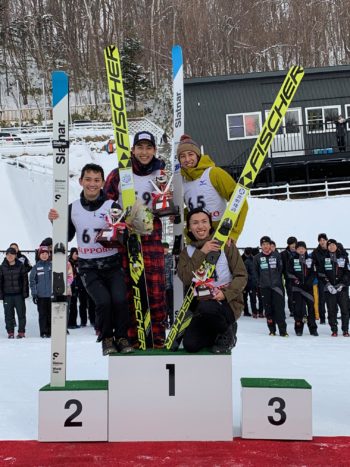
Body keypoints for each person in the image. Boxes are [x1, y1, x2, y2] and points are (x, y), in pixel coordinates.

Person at [48, 163, 133, 355]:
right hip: (88, 267)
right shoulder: (73, 208)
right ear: (80, 181)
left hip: (111, 264)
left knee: (120, 300)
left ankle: (121, 336)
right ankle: (107, 338)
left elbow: (122, 236)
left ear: (103, 183)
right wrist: (55, 221)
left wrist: (125, 227)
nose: (92, 184)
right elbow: (66, 236)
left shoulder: (112, 206)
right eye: (88, 179)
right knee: (103, 302)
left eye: (96, 180)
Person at [104, 131, 167, 348]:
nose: (144, 152)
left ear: (154, 150)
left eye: (148, 147)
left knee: (155, 289)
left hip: (151, 238)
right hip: (126, 240)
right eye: (139, 147)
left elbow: (168, 204)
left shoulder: (161, 173)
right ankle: (131, 336)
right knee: (130, 289)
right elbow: (105, 206)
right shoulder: (118, 174)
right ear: (132, 150)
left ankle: (157, 336)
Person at [177, 208, 247, 353]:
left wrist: (225, 293)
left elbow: (242, 275)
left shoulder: (226, 245)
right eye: (195, 223)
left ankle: (228, 332)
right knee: (191, 345)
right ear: (189, 227)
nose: (200, 226)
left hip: (226, 303)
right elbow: (185, 277)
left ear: (210, 225)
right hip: (201, 307)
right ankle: (217, 333)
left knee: (207, 306)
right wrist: (202, 252)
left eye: (204, 222)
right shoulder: (187, 252)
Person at [177, 134, 248, 241]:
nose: (187, 159)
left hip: (219, 235)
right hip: (197, 239)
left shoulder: (214, 173)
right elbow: (196, 207)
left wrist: (233, 233)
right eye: (182, 156)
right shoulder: (182, 181)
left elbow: (240, 201)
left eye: (190, 154)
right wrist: (179, 214)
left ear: (198, 155)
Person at [254, 236, 288, 337]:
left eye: (267, 244)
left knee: (279, 310)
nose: (265, 246)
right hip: (265, 288)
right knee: (268, 310)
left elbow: (280, 269)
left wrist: (276, 281)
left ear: (270, 245)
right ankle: (272, 330)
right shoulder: (257, 257)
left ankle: (283, 331)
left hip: (277, 287)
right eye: (263, 244)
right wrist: (260, 283)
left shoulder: (277, 255)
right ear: (261, 246)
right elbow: (255, 272)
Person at [315, 239, 349, 337]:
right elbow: (320, 273)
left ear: (336, 246)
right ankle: (334, 330)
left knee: (345, 310)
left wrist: (342, 284)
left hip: (342, 289)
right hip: (329, 289)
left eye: (333, 245)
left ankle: (345, 330)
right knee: (331, 310)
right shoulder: (323, 258)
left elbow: (347, 272)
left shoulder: (344, 258)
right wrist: (328, 284)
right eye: (329, 245)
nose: (331, 247)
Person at [287, 241, 318, 336]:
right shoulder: (292, 260)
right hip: (297, 289)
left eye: (303, 248)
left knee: (311, 309)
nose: (301, 250)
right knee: (298, 309)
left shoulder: (311, 260)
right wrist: (297, 281)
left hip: (308, 289)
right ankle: (299, 328)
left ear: (305, 249)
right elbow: (289, 273)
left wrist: (309, 281)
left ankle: (313, 329)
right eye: (299, 248)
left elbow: (314, 272)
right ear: (296, 249)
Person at [0, 247, 29, 338]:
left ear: (15, 255)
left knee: (21, 314)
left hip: (18, 295)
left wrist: (25, 293)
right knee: (8, 315)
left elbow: (25, 281)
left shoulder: (20, 265)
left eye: (12, 254)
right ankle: (10, 332)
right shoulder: (2, 267)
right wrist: (1, 294)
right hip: (7, 296)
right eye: (8, 254)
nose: (10, 256)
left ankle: (21, 332)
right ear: (6, 255)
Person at [30, 246, 52, 337]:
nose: (44, 255)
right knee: (42, 315)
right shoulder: (35, 267)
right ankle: (43, 332)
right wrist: (34, 294)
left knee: (50, 314)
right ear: (39, 255)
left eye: (46, 254)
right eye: (42, 254)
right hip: (41, 296)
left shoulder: (52, 265)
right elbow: (32, 281)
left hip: (51, 295)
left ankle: (50, 331)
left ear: (49, 255)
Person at [312, 233, 328, 324]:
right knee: (321, 298)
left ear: (326, 240)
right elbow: (312, 264)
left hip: (331, 278)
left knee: (332, 299)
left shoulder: (331, 249)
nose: (322, 242)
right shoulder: (315, 252)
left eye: (323, 240)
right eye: (320, 240)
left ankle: (332, 316)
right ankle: (322, 318)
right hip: (320, 278)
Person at [281, 236, 298, 317]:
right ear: (288, 245)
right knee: (290, 295)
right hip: (288, 278)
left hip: (299, 278)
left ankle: (298, 309)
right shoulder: (283, 254)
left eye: (294, 243)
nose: (293, 245)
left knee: (298, 294)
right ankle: (292, 310)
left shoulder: (300, 252)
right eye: (291, 244)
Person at [242, 247, 259, 317]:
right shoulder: (244, 260)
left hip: (253, 282)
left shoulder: (255, 260)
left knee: (253, 298)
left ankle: (254, 310)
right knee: (245, 297)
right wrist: (251, 278)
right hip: (245, 282)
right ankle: (246, 311)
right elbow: (244, 272)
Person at [163, 242, 174, 327]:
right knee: (164, 304)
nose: (165, 249)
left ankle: (172, 321)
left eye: (166, 247)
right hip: (162, 285)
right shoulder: (159, 257)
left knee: (171, 304)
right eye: (163, 247)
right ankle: (165, 321)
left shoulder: (171, 257)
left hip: (170, 285)